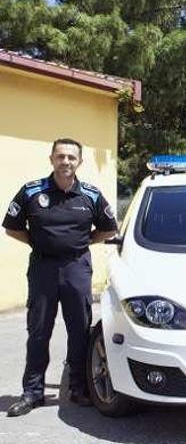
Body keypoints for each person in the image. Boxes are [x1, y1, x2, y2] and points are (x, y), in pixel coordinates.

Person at [3, 138, 118, 417]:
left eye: (71, 157)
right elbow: (12, 227)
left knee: (79, 329)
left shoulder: (90, 195)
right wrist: (39, 242)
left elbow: (108, 229)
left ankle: (78, 389)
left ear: (80, 162)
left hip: (76, 267)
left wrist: (81, 243)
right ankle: (32, 392)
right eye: (60, 156)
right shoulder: (31, 192)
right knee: (38, 331)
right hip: (42, 268)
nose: (65, 162)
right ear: (51, 159)